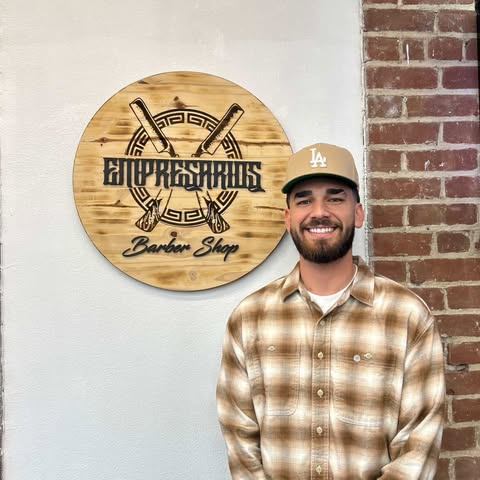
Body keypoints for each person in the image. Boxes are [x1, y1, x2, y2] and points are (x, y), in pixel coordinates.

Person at [216, 143, 445, 479]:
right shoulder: (249, 319)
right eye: (304, 200)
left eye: (335, 199)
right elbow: (240, 438)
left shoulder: (407, 317)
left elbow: (418, 446)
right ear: (288, 218)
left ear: (358, 213)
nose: (319, 212)